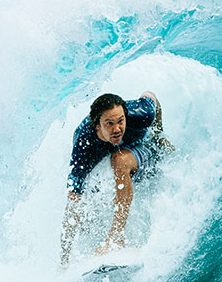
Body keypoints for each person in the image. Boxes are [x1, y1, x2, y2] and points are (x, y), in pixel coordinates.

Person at [60, 91, 173, 266]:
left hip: (147, 152)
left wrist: (159, 133)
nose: (117, 129)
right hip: (121, 162)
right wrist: (64, 260)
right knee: (85, 201)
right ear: (97, 126)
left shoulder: (141, 114)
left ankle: (115, 238)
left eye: (120, 121)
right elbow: (73, 201)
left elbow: (151, 97)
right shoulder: (84, 145)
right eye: (109, 124)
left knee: (118, 160)